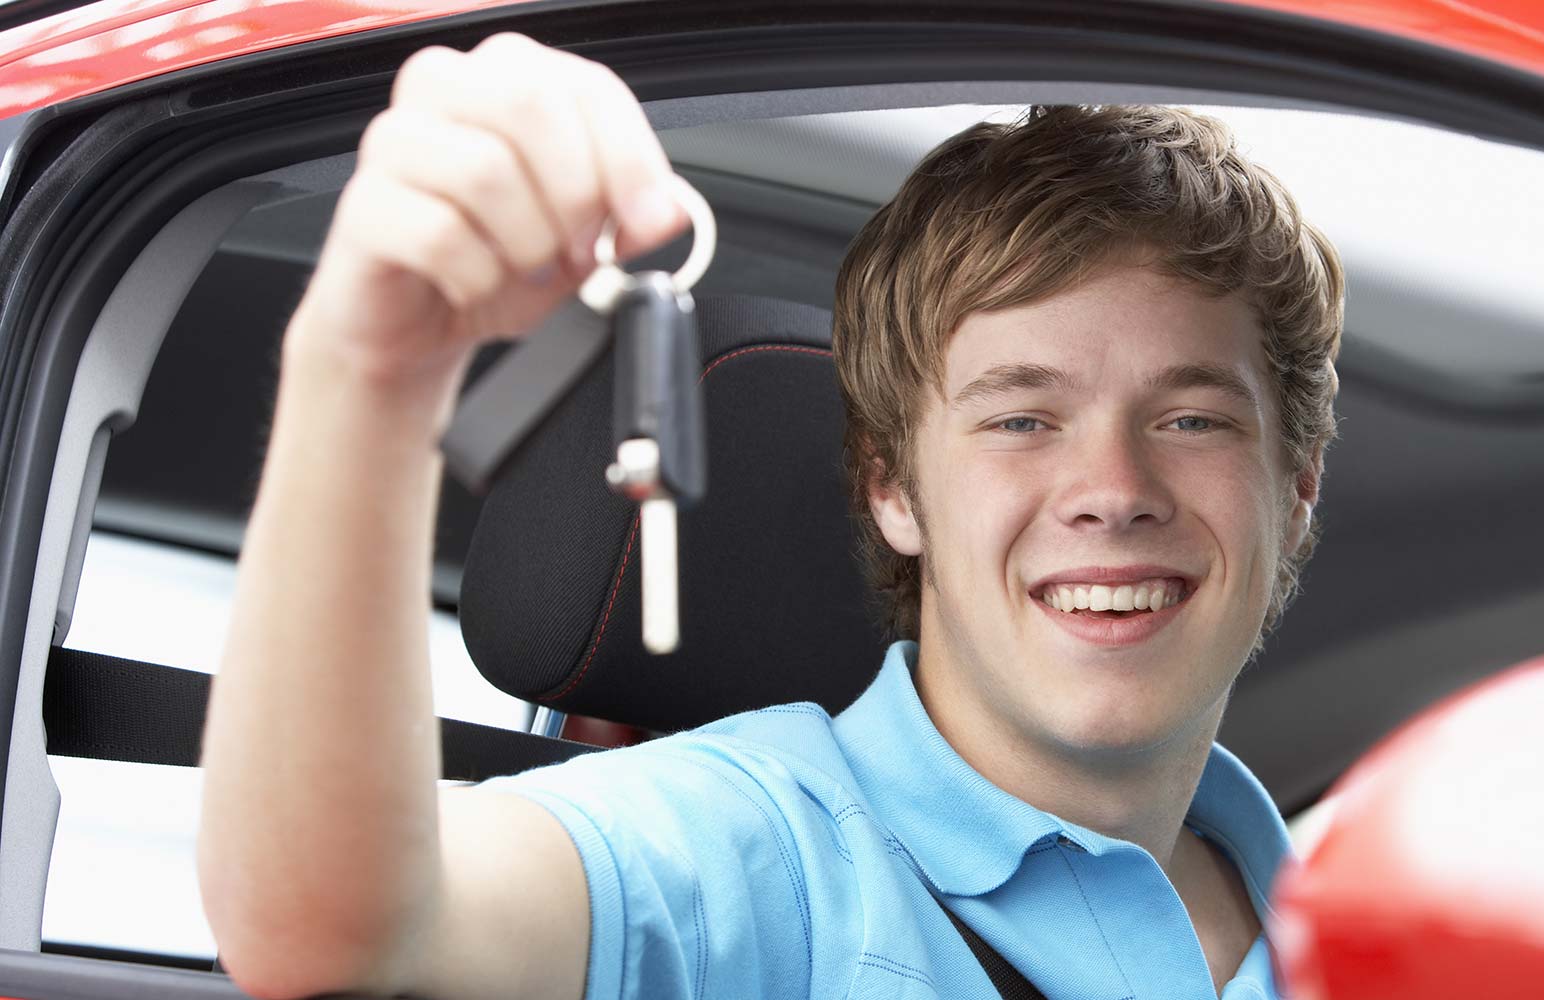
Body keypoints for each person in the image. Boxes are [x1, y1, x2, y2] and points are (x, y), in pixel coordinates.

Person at [196, 31, 1342, 1000]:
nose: (1113, 488)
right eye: (1020, 420)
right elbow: (345, 926)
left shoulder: (1374, 917)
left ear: (1293, 494)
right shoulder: (749, 850)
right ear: (892, 488)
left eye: (1192, 420)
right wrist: (366, 368)